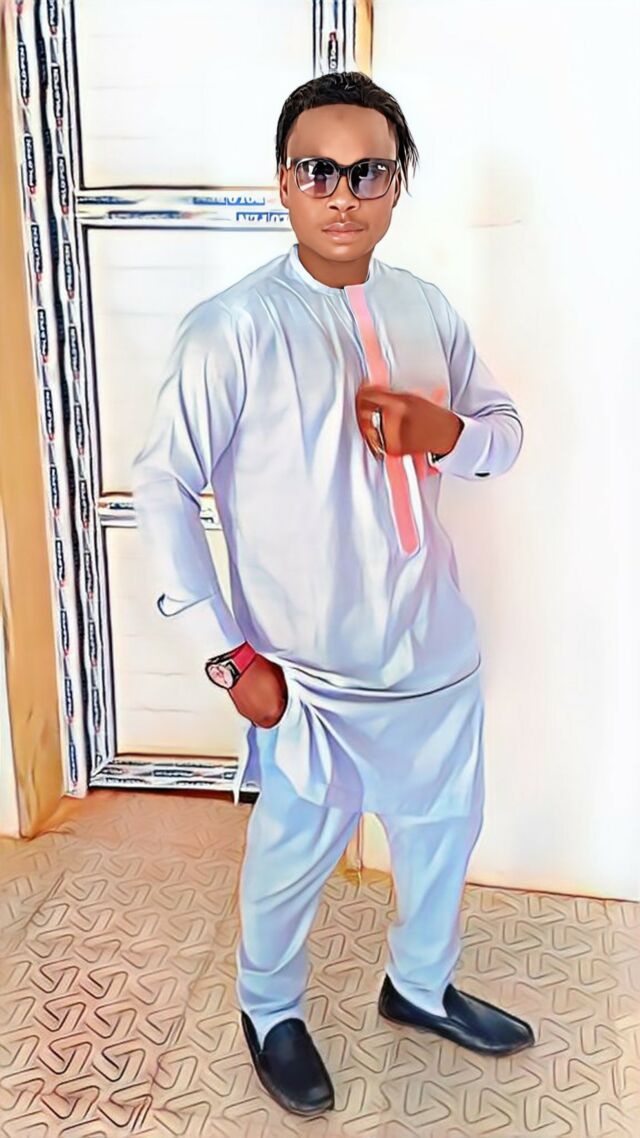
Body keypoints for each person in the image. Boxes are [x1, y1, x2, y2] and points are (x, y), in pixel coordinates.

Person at [132, 71, 534, 1118]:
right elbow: (163, 486)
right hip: (308, 678)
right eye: (318, 170)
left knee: (441, 837)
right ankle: (269, 1010)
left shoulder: (424, 309)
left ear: (398, 184)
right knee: (289, 859)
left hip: (433, 655)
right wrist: (229, 656)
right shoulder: (231, 328)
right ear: (283, 181)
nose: (342, 194)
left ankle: (420, 987)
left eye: (369, 172)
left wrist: (443, 432)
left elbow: (501, 438)